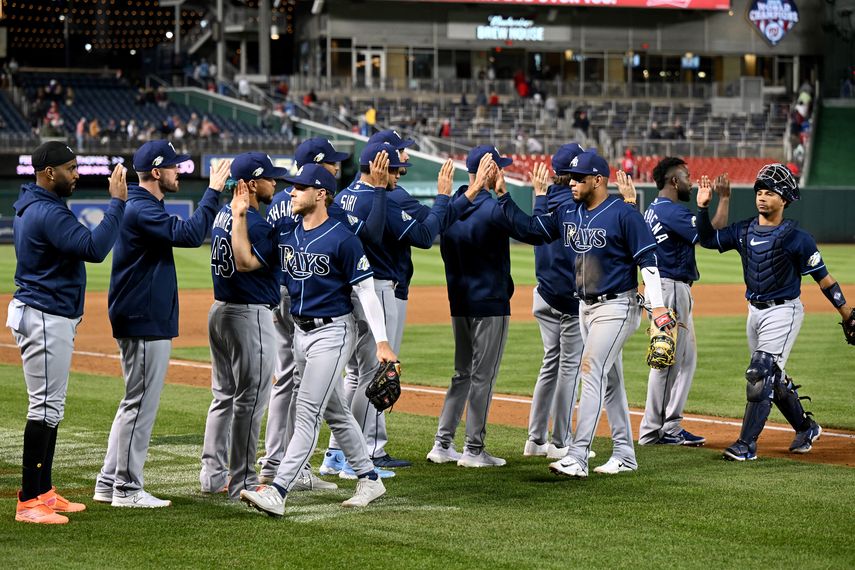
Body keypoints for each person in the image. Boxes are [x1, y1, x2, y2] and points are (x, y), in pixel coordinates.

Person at [233, 162, 397, 517]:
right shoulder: (287, 233)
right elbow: (245, 262)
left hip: (333, 333)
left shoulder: (343, 239)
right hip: (299, 335)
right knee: (336, 410)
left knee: (306, 411)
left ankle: (278, 489)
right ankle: (370, 477)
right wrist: (239, 216)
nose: (291, 191)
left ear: (321, 194)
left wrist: (382, 342)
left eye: (300, 187)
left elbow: (367, 293)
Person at [501, 151, 675, 478]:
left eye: (580, 179)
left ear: (598, 180)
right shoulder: (569, 211)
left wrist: (659, 306)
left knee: (590, 371)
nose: (572, 183)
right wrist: (503, 199)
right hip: (584, 307)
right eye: (571, 178)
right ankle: (624, 453)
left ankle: (578, 455)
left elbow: (648, 260)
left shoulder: (623, 214)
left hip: (617, 306)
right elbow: (532, 231)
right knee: (610, 380)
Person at [93, 141, 230, 507]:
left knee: (132, 403)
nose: (179, 172)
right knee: (139, 405)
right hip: (142, 317)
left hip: (140, 314)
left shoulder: (142, 204)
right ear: (156, 172)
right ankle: (126, 488)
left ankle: (109, 481)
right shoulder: (140, 208)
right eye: (174, 167)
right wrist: (214, 191)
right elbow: (189, 235)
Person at [696, 163, 853, 461]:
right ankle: (806, 427)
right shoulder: (743, 230)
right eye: (760, 191)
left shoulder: (797, 237)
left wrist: (847, 313)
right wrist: (703, 209)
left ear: (785, 200)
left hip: (784, 312)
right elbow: (707, 240)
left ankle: (746, 445)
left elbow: (826, 280)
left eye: (770, 193)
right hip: (753, 312)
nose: (762, 197)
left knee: (760, 372)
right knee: (773, 376)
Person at [324, 140, 462, 476]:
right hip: (378, 286)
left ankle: (335, 453)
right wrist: (445, 196)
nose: (398, 173)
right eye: (395, 168)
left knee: (356, 374)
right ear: (378, 167)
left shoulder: (343, 196)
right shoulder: (375, 198)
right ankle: (364, 454)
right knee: (377, 374)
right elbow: (425, 235)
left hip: (351, 290)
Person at [10, 143, 127, 524]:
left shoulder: (40, 205)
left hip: (47, 312)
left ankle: (43, 491)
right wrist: (117, 203)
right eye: (70, 168)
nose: (76, 174)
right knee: (44, 408)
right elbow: (94, 249)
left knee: (51, 407)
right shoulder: (45, 211)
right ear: (48, 173)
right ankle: (29, 501)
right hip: (45, 315)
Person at [426, 146, 543, 468]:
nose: (502, 172)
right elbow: (534, 232)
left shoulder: (451, 206)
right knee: (482, 377)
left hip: (459, 301)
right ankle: (474, 449)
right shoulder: (493, 208)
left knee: (462, 374)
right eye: (499, 167)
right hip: (489, 303)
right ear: (489, 170)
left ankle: (442, 443)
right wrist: (505, 195)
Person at [258, 137, 356, 492]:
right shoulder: (316, 200)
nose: (336, 167)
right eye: (331, 162)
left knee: (288, 381)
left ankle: (275, 461)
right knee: (301, 387)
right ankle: (285, 468)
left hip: (279, 294)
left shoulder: (280, 203)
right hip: (306, 296)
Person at [199, 153, 288, 500]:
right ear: (251, 184)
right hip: (249, 316)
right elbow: (245, 261)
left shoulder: (223, 214)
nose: (275, 184)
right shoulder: (257, 224)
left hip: (220, 311)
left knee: (223, 397)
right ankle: (244, 482)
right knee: (250, 401)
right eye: (269, 178)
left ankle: (212, 475)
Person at [637, 158, 731, 446]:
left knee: (685, 361)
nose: (691, 181)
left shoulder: (653, 209)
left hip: (663, 287)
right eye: (687, 177)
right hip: (671, 289)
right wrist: (724, 199)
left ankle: (671, 426)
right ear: (674, 182)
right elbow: (708, 236)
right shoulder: (671, 211)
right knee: (668, 362)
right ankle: (653, 431)